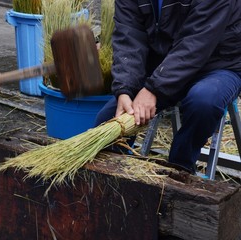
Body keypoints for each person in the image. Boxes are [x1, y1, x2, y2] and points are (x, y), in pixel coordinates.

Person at [95, 0, 241, 174]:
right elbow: (129, 37)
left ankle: (180, 170)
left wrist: (154, 89)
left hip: (218, 64)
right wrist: (124, 89)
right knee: (108, 118)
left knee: (203, 103)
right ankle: (116, 181)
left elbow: (197, 42)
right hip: (164, 65)